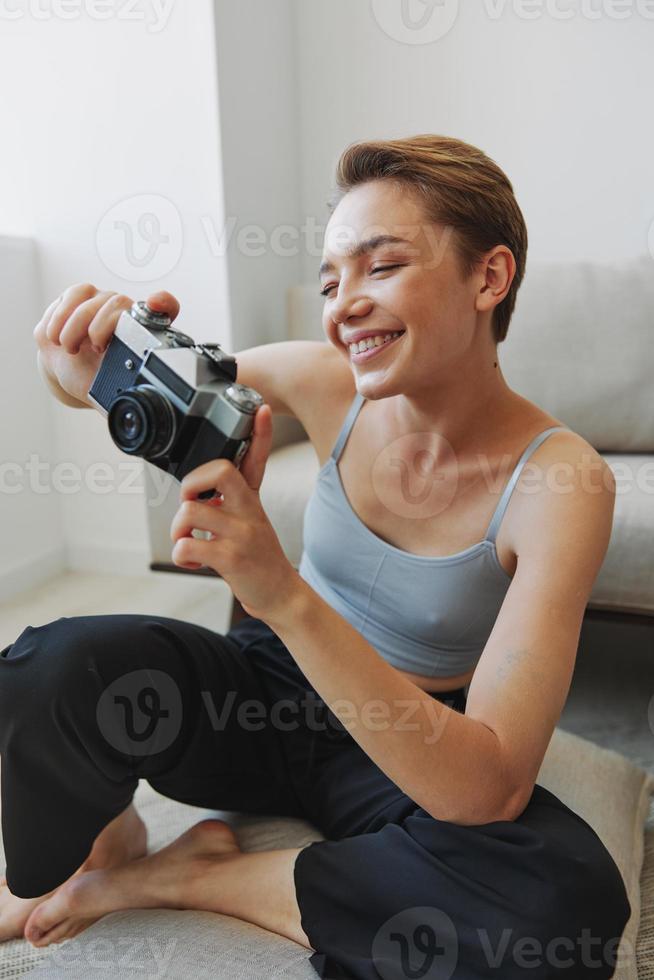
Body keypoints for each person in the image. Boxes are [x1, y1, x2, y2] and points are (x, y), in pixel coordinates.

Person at [0, 134, 630, 979]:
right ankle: (108, 841)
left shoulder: (562, 481)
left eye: (380, 266)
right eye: (333, 281)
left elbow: (490, 788)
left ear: (489, 277)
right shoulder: (324, 379)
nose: (344, 305)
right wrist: (72, 369)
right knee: (50, 663)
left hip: (401, 732)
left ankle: (203, 877)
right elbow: (153, 386)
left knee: (562, 903)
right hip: (260, 691)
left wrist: (281, 591)